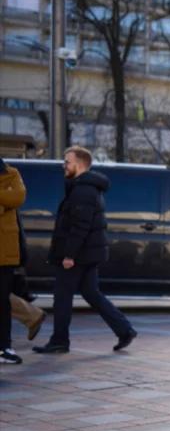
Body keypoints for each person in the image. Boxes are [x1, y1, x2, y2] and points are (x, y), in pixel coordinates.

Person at [32, 147, 136, 355]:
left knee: (62, 296)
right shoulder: (82, 187)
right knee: (91, 293)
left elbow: (80, 226)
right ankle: (124, 330)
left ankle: (60, 340)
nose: (64, 165)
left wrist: (69, 255)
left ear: (79, 164)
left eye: (67, 162)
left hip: (79, 255)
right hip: (87, 253)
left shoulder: (83, 190)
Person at [1, 158, 28, 363]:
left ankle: (4, 347)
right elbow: (9, 200)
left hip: (5, 252)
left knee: (2, 301)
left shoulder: (11, 173)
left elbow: (18, 197)